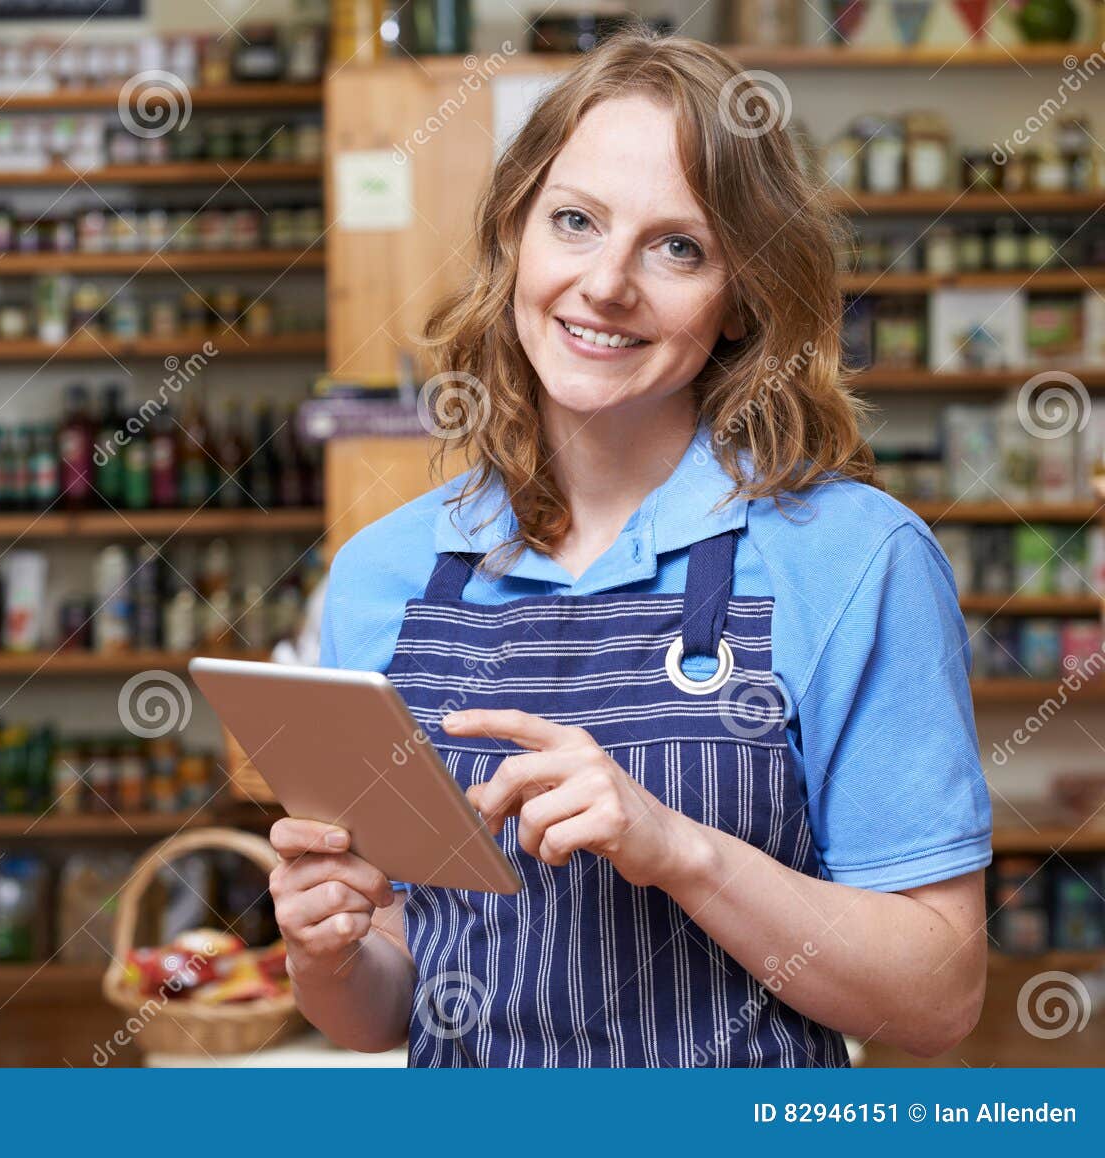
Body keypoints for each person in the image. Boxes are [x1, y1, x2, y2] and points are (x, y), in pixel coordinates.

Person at [268, 28, 991, 1067]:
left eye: (677, 247)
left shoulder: (855, 561)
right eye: (575, 221)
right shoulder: (383, 576)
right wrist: (327, 954)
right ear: (516, 236)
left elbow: (938, 996)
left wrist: (678, 850)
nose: (607, 284)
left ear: (741, 298)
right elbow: (390, 1003)